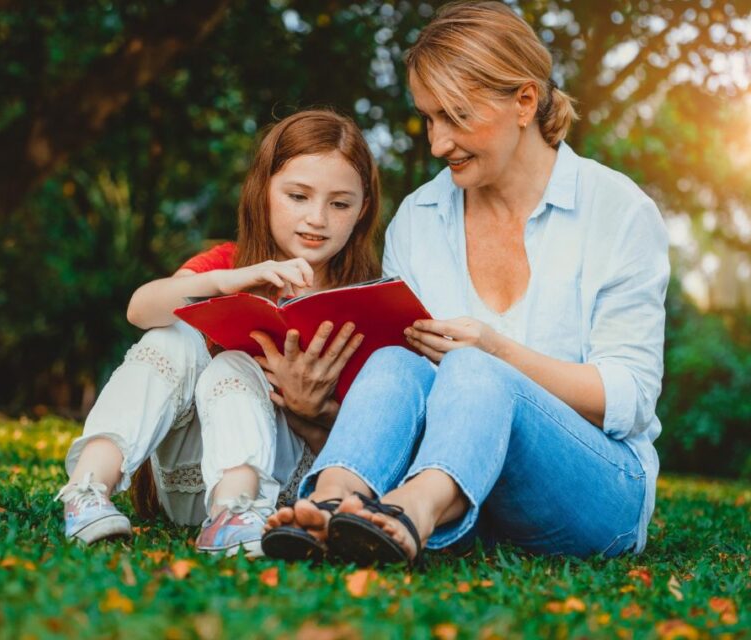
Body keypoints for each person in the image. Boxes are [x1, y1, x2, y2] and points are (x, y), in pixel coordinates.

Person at [263, 1, 669, 565]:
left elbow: (629, 397)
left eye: (455, 115)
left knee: (479, 365)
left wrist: (498, 350)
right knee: (394, 360)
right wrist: (314, 410)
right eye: (429, 118)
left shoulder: (617, 210)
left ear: (525, 101)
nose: (437, 142)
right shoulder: (420, 217)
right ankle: (334, 498)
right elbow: (407, 392)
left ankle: (414, 511)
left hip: (598, 491)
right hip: (472, 481)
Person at [54, 109, 381, 557]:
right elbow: (139, 310)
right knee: (173, 334)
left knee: (234, 362)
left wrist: (313, 411)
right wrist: (228, 280)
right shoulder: (228, 262)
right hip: (188, 478)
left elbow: (371, 443)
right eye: (298, 196)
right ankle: (87, 489)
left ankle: (234, 511)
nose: (317, 218)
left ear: (363, 210)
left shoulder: (368, 297)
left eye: (339, 203)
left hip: (280, 491)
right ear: (262, 192)